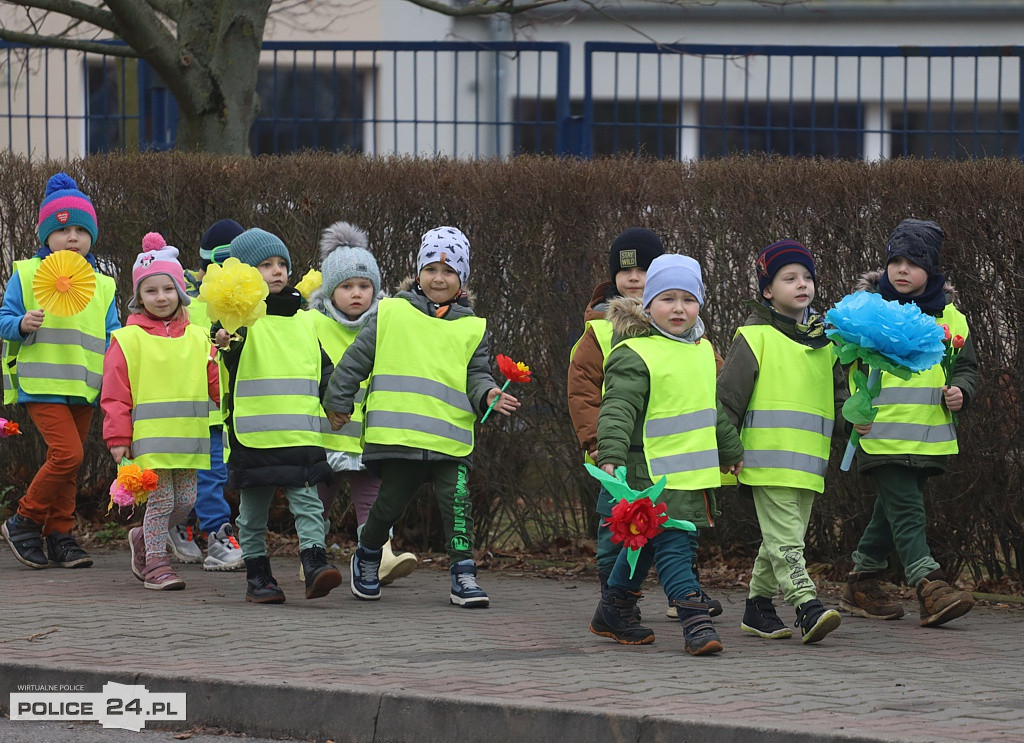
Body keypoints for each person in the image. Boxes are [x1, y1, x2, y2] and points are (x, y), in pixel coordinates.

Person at [323, 226, 519, 608]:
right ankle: (367, 555)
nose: (439, 278)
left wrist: (488, 395)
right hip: (401, 436)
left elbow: (476, 375)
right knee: (389, 505)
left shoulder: (472, 327)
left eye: (449, 271)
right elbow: (355, 361)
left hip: (450, 439)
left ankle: (464, 573)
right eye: (431, 268)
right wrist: (338, 402)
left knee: (457, 505)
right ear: (418, 273)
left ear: (461, 279)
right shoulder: (391, 312)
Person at [590, 253, 743, 655]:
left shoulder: (701, 351)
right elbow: (617, 407)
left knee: (643, 545)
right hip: (649, 472)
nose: (679, 308)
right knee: (675, 545)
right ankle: (696, 622)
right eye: (667, 299)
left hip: (690, 474)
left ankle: (614, 608)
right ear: (648, 304)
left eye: (688, 300)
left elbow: (709, 409)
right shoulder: (636, 353)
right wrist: (611, 452)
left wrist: (731, 449)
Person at [839, 219, 978, 627]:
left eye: (913, 262)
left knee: (892, 510)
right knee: (908, 510)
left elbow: (965, 369)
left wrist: (961, 392)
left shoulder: (953, 319)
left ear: (931, 270)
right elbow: (839, 372)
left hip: (929, 436)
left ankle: (860, 583)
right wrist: (850, 414)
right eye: (894, 261)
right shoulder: (866, 313)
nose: (901, 270)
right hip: (878, 434)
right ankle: (929, 585)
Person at [717, 239, 845, 644]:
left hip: (809, 465)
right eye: (789, 278)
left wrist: (855, 419)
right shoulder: (754, 337)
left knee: (779, 539)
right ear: (767, 290)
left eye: (807, 277)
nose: (802, 284)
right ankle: (806, 606)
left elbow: (840, 400)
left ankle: (758, 608)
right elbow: (725, 402)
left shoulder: (829, 343)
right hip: (765, 461)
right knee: (788, 540)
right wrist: (730, 449)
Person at [215, 227, 342, 604]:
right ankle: (259, 577)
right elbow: (226, 344)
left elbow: (323, 368)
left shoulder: (305, 320)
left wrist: (336, 402)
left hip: (300, 435)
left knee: (309, 504)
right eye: (265, 265)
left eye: (282, 264)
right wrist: (223, 340)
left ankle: (316, 565)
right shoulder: (239, 321)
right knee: (253, 514)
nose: (277, 271)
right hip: (255, 437)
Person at [0, 172, 119, 570]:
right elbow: (4, 319)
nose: (73, 237)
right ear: (45, 235)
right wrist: (20, 324)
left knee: (70, 459)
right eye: (63, 228)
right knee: (67, 454)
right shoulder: (27, 274)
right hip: (42, 382)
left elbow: (113, 335)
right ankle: (24, 520)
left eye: (82, 230)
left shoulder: (103, 284)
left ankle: (60, 535)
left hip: (84, 387)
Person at [102, 233, 219, 590]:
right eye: (150, 291)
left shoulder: (200, 336)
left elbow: (215, 382)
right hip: (149, 441)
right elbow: (115, 394)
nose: (161, 297)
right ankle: (156, 563)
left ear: (180, 292)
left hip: (188, 440)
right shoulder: (128, 339)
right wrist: (118, 438)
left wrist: (226, 358)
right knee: (163, 500)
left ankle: (142, 537)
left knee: (185, 502)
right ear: (139, 298)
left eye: (167, 289)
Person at [307, 220, 417, 584]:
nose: (357, 294)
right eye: (347, 286)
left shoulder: (389, 323)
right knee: (315, 502)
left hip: (367, 437)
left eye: (364, 286)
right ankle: (313, 555)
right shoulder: (311, 324)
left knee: (373, 502)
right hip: (322, 436)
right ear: (330, 290)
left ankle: (379, 556)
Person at [167, 218, 245, 571]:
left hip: (219, 409)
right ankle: (209, 532)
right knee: (195, 474)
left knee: (208, 473)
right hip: (186, 407)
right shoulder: (187, 306)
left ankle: (195, 526)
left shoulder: (244, 309)